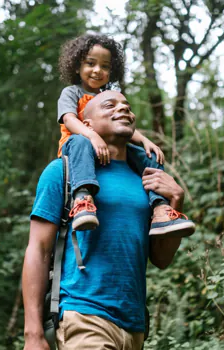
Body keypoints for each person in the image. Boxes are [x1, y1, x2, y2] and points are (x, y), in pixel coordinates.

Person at [23, 90, 192, 350]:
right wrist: (33, 334)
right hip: (83, 315)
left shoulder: (147, 181)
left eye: (127, 105)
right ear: (87, 124)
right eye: (110, 105)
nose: (123, 108)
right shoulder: (62, 171)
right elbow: (38, 249)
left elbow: (161, 259)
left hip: (135, 327)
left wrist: (175, 202)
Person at [57, 33, 195, 237]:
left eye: (105, 66)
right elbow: (69, 119)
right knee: (79, 140)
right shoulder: (72, 92)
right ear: (77, 67)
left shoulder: (109, 96)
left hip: (109, 150)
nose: (97, 70)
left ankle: (160, 209)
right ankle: (83, 199)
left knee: (149, 156)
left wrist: (145, 141)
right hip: (79, 149)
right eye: (91, 64)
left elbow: (122, 126)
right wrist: (92, 135)